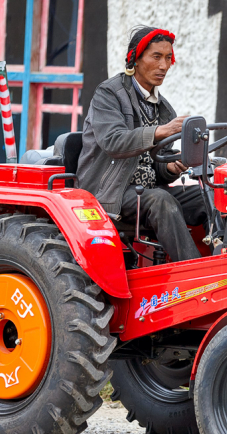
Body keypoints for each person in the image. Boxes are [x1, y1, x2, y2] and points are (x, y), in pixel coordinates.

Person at [76, 26, 207, 262]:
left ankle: (226, 260)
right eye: (156, 57)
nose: (164, 66)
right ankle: (195, 274)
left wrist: (169, 168)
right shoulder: (108, 94)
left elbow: (155, 165)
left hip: (144, 193)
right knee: (161, 200)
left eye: (168, 58)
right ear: (135, 59)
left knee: (208, 196)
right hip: (109, 193)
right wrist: (161, 131)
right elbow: (113, 142)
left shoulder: (162, 107)